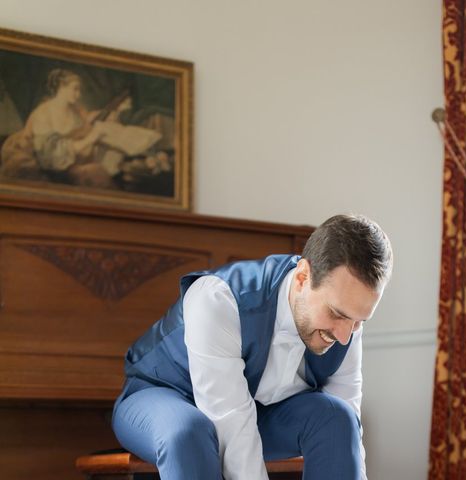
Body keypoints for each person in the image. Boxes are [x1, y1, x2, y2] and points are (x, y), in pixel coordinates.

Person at [111, 214, 393, 480]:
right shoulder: (217, 298)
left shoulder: (346, 325)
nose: (345, 336)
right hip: (160, 397)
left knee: (337, 418)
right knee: (189, 431)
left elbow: (347, 434)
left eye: (358, 321)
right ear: (302, 277)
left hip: (259, 412)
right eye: (337, 314)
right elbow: (230, 423)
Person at [0, 68, 129, 186]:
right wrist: (90, 139)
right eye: (75, 89)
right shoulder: (43, 113)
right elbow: (51, 155)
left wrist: (108, 114)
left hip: (78, 157)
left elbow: (85, 120)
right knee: (96, 174)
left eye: (79, 90)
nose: (78, 94)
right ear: (62, 87)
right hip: (53, 165)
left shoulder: (75, 108)